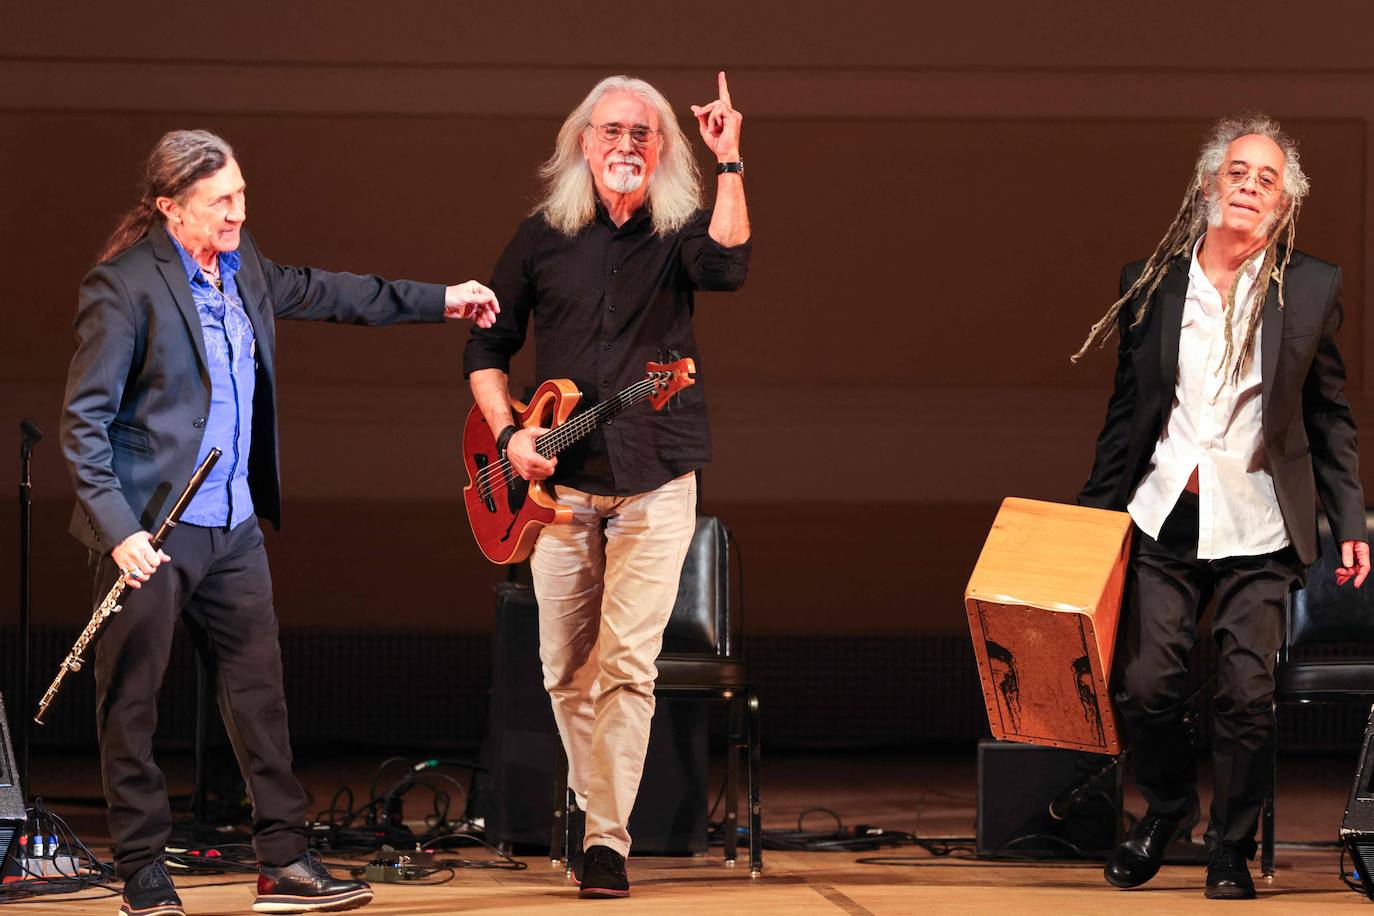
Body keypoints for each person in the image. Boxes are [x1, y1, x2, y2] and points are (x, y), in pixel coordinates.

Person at [60, 129, 498, 916]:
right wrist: (121, 530)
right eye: (220, 201)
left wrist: (442, 300)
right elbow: (82, 425)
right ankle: (140, 872)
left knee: (259, 696)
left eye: (242, 195)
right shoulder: (122, 286)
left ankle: (284, 864)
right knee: (131, 703)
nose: (238, 212)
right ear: (170, 208)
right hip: (151, 532)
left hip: (230, 524)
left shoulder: (243, 265)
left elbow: (331, 292)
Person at [464, 71, 750, 898]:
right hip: (555, 493)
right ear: (582, 143)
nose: (626, 145)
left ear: (662, 150)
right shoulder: (538, 239)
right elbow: (485, 352)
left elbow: (729, 267)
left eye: (643, 134)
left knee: (627, 665)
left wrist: (728, 161)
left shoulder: (682, 232)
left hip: (656, 477)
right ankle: (599, 812)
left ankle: (605, 841)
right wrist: (510, 434)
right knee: (563, 667)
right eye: (611, 131)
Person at [1075, 114, 1369, 900]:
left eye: (1267, 178)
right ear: (1209, 186)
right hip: (1165, 514)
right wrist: (1090, 523)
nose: (1249, 186)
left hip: (1260, 525)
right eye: (1237, 172)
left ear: (1284, 205)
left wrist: (1348, 520)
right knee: (1143, 685)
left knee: (1247, 696)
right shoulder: (1152, 281)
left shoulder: (1308, 287)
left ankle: (1230, 845)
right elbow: (1126, 415)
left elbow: (1329, 415)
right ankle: (1166, 808)